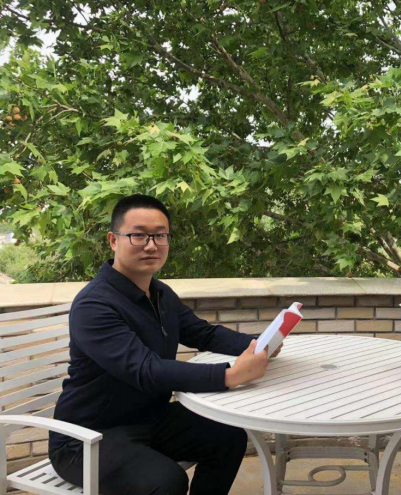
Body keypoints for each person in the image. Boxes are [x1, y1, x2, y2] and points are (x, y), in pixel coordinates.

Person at [49, 194, 275, 495]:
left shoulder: (160, 294)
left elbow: (202, 334)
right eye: (138, 235)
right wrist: (230, 375)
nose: (151, 245)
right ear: (113, 240)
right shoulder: (94, 305)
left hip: (149, 419)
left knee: (228, 436)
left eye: (160, 235)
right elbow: (145, 369)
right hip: (86, 438)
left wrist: (259, 344)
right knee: (167, 480)